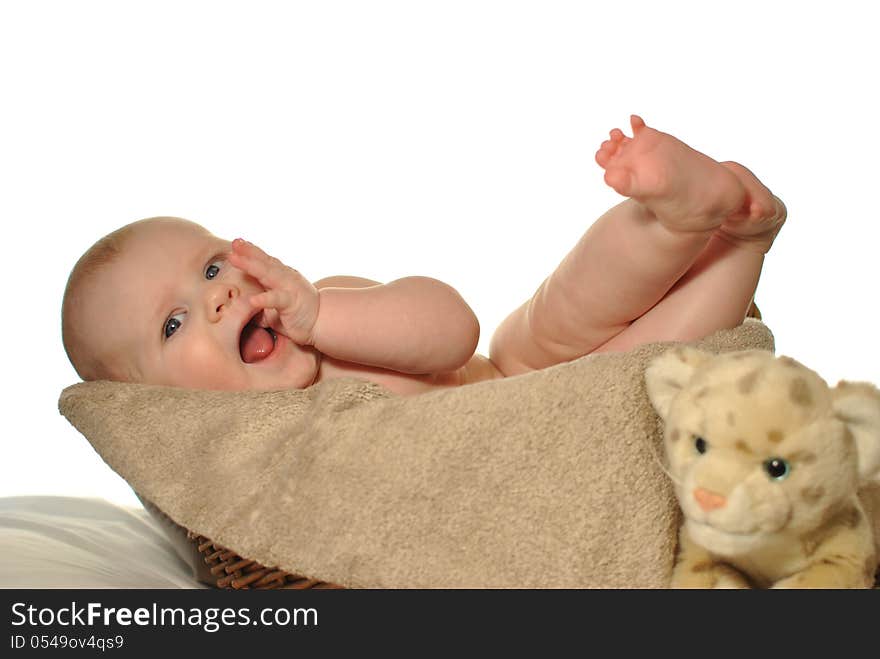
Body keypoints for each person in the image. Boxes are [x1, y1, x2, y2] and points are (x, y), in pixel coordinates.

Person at [61, 116, 785, 396]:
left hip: (510, 368)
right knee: (649, 360)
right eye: (173, 323)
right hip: (547, 416)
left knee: (575, 302)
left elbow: (451, 328)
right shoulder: (243, 468)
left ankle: (666, 217)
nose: (216, 296)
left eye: (212, 265)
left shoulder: (322, 310)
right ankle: (741, 239)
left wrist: (322, 313)